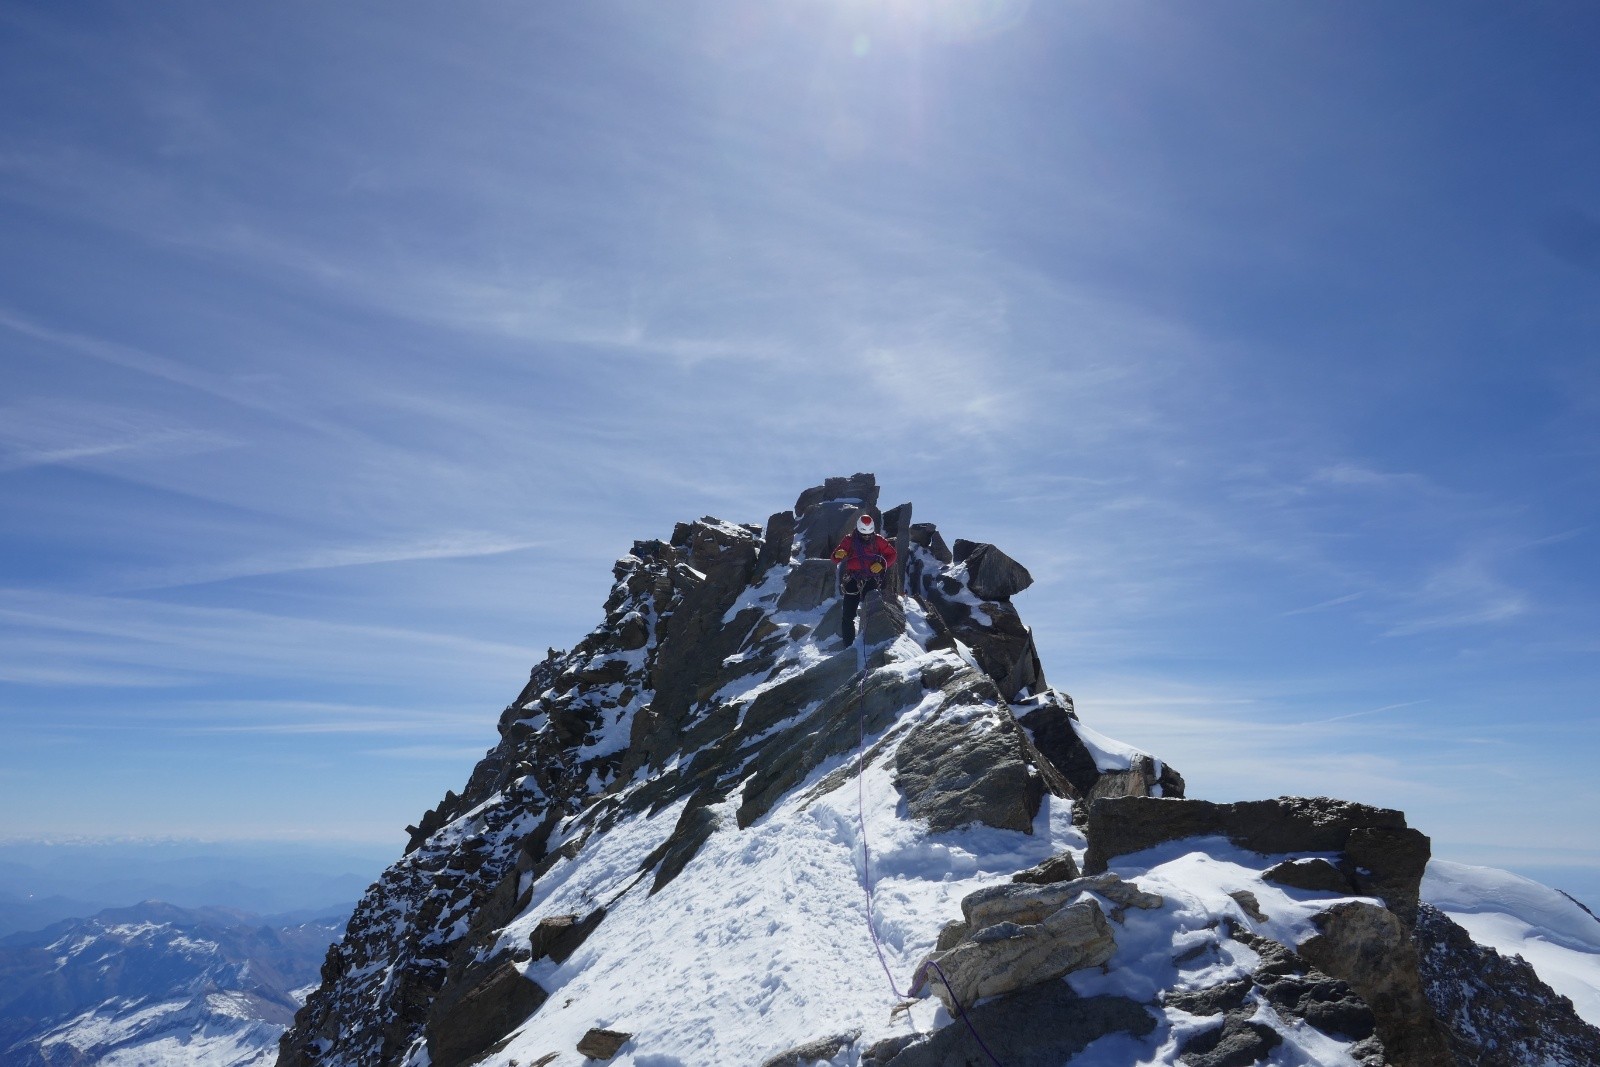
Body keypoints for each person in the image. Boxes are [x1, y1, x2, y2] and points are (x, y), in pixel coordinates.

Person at [831, 513, 897, 645]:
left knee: (873, 612)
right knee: (848, 615)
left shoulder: (878, 540)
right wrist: (838, 554)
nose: (866, 537)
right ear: (858, 530)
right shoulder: (849, 540)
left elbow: (892, 554)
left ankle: (871, 643)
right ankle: (848, 645)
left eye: (869, 534)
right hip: (853, 578)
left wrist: (882, 564)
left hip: (871, 578)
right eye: (863, 534)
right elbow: (834, 558)